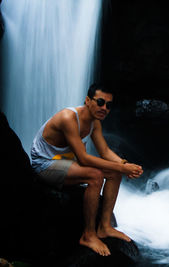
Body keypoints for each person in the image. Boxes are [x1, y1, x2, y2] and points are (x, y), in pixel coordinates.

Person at [30, 83, 143, 256]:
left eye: (109, 105)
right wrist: (123, 167)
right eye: (100, 102)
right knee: (95, 176)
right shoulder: (68, 118)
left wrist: (124, 165)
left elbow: (104, 151)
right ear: (88, 100)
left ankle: (104, 226)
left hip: (65, 161)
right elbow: (83, 158)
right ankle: (88, 235)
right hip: (44, 163)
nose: (104, 108)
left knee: (115, 173)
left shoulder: (94, 122)